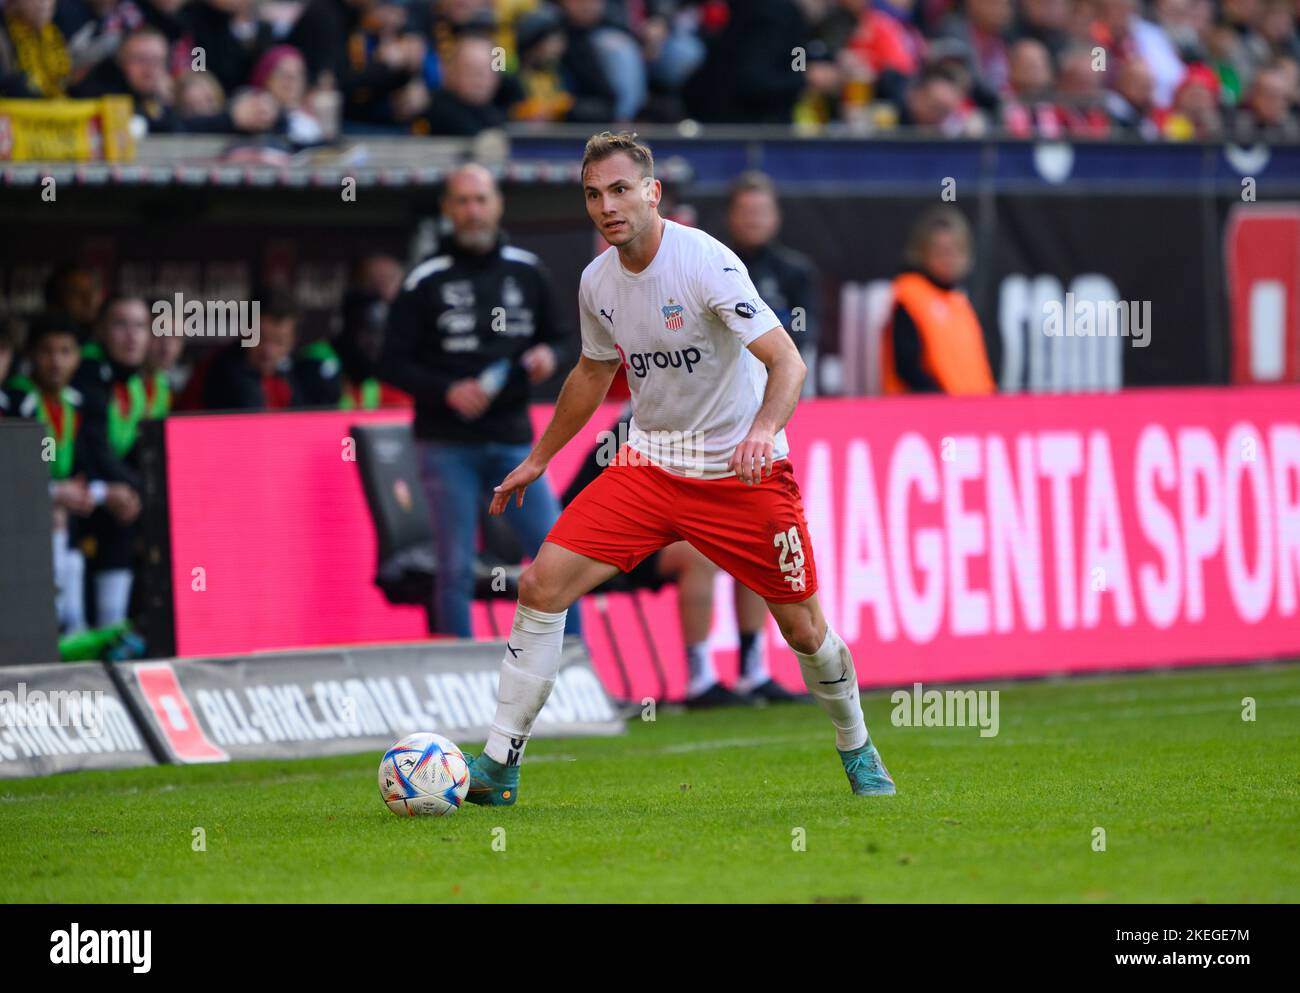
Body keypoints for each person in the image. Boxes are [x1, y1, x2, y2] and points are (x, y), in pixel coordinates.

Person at [461, 131, 895, 806]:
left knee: (806, 630)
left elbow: (788, 363)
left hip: (739, 473)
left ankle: (858, 747)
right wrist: (538, 459)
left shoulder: (706, 264)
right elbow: (591, 372)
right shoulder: (596, 282)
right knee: (542, 585)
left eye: (620, 189)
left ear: (652, 192)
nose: (608, 206)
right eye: (594, 194)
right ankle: (498, 763)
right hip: (650, 466)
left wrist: (760, 432)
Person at [379, 163, 580, 640]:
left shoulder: (527, 271)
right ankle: (461, 682)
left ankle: (578, 675)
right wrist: (446, 389)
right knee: (453, 566)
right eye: (463, 202)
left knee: (559, 556)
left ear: (497, 205)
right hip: (447, 444)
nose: (473, 211)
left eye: (481, 200)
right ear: (448, 210)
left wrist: (548, 356)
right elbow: (390, 363)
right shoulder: (424, 280)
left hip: (515, 443)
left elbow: (566, 339)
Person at [562, 403, 800, 707]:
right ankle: (700, 681)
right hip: (606, 544)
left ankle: (753, 672)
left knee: (753, 546)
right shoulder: (644, 424)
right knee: (699, 556)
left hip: (654, 535)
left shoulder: (698, 414)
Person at [882, 206, 996, 395]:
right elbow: (907, 364)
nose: (949, 259)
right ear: (922, 252)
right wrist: (938, 399)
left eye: (955, 250)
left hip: (972, 412)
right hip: (931, 414)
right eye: (941, 251)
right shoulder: (910, 293)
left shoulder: (958, 301)